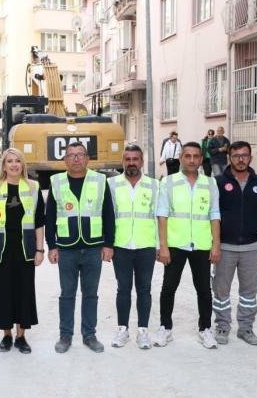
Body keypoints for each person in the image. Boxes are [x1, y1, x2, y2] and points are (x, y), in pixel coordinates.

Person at [46, 141, 115, 354]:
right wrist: (52, 246)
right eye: (71, 155)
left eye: (80, 155)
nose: (76, 159)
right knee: (67, 294)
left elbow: (108, 215)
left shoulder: (100, 180)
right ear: (65, 159)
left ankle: (89, 335)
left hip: (94, 248)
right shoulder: (56, 181)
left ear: (87, 158)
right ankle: (65, 336)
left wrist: (108, 244)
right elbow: (49, 217)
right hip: (66, 248)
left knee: (90, 294)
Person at [155, 142, 221, 349]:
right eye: (187, 156)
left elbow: (215, 215)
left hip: (201, 245)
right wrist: (163, 246)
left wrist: (216, 245)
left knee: (203, 289)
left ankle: (205, 329)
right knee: (168, 288)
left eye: (196, 156)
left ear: (201, 160)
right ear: (181, 158)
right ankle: (165, 327)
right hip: (176, 244)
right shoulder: (168, 182)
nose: (192, 160)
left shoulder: (210, 183)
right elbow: (162, 215)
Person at [0, 148, 45, 354]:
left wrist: (39, 249)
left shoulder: (33, 188)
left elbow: (39, 222)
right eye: (10, 161)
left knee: (24, 292)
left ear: (23, 164)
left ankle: (21, 336)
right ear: (4, 165)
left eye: (18, 161)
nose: (14, 165)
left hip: (25, 249)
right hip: (1, 250)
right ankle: (6, 335)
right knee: (3, 292)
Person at [212, 141, 257, 345]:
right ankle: (222, 326)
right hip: (225, 248)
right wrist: (215, 244)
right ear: (230, 158)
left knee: (249, 291)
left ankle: (245, 328)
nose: (241, 159)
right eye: (236, 156)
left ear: (250, 157)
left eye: (244, 155)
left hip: (251, 247)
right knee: (221, 290)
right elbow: (214, 216)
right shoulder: (218, 182)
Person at [107, 144, 159, 349]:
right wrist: (108, 244)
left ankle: (143, 331)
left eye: (135, 159)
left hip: (146, 245)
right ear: (123, 162)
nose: (131, 163)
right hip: (121, 245)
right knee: (123, 289)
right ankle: (123, 330)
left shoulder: (154, 185)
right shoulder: (111, 184)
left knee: (144, 289)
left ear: (141, 161)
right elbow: (108, 217)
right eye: (127, 159)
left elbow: (159, 216)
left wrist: (159, 245)